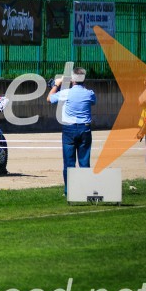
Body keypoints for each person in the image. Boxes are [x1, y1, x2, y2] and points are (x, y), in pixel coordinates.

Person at [47, 67, 96, 196]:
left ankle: (69, 191)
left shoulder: (66, 93)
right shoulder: (89, 93)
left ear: (73, 79)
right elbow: (93, 101)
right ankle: (85, 190)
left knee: (69, 163)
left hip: (69, 129)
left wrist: (56, 85)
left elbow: (49, 98)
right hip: (85, 128)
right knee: (84, 162)